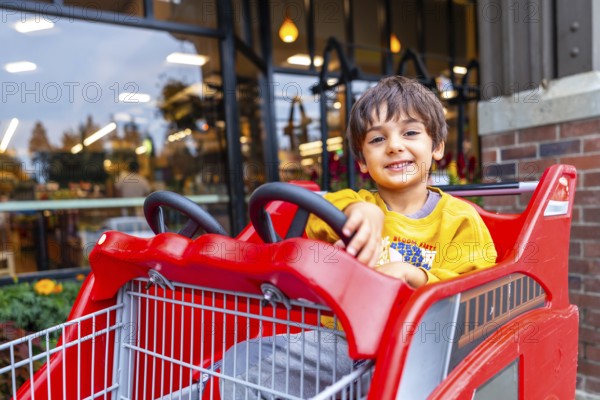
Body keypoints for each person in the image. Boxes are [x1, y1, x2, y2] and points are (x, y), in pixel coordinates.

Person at [219, 76, 497, 398]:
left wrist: (415, 276)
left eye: (410, 132)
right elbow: (310, 217)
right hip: (342, 341)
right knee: (243, 361)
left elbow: (478, 291)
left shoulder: (459, 219)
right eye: (378, 139)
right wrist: (358, 212)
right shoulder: (359, 204)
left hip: (419, 350)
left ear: (436, 147)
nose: (394, 146)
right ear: (363, 161)